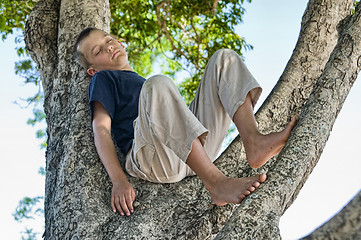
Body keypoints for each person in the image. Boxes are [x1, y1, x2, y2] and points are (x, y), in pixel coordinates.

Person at [73, 27, 296, 217]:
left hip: (189, 149)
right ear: (92, 70)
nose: (108, 47)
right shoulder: (104, 78)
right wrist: (118, 180)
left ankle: (253, 141)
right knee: (157, 84)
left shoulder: (142, 84)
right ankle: (216, 183)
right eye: (98, 51)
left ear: (121, 43)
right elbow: (101, 130)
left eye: (109, 40)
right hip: (154, 158)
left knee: (223, 59)